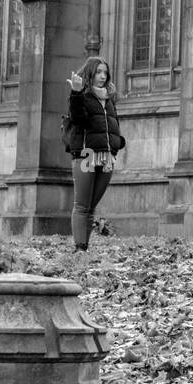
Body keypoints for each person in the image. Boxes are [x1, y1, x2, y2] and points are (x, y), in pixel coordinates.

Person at [65, 57, 126, 251]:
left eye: (105, 73)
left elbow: (111, 124)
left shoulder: (109, 98)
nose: (102, 76)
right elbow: (78, 119)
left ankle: (84, 246)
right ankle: (80, 248)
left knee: (91, 206)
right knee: (82, 205)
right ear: (90, 73)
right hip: (87, 154)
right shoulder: (81, 95)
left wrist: (118, 142)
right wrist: (75, 93)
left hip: (107, 157)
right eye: (98, 72)